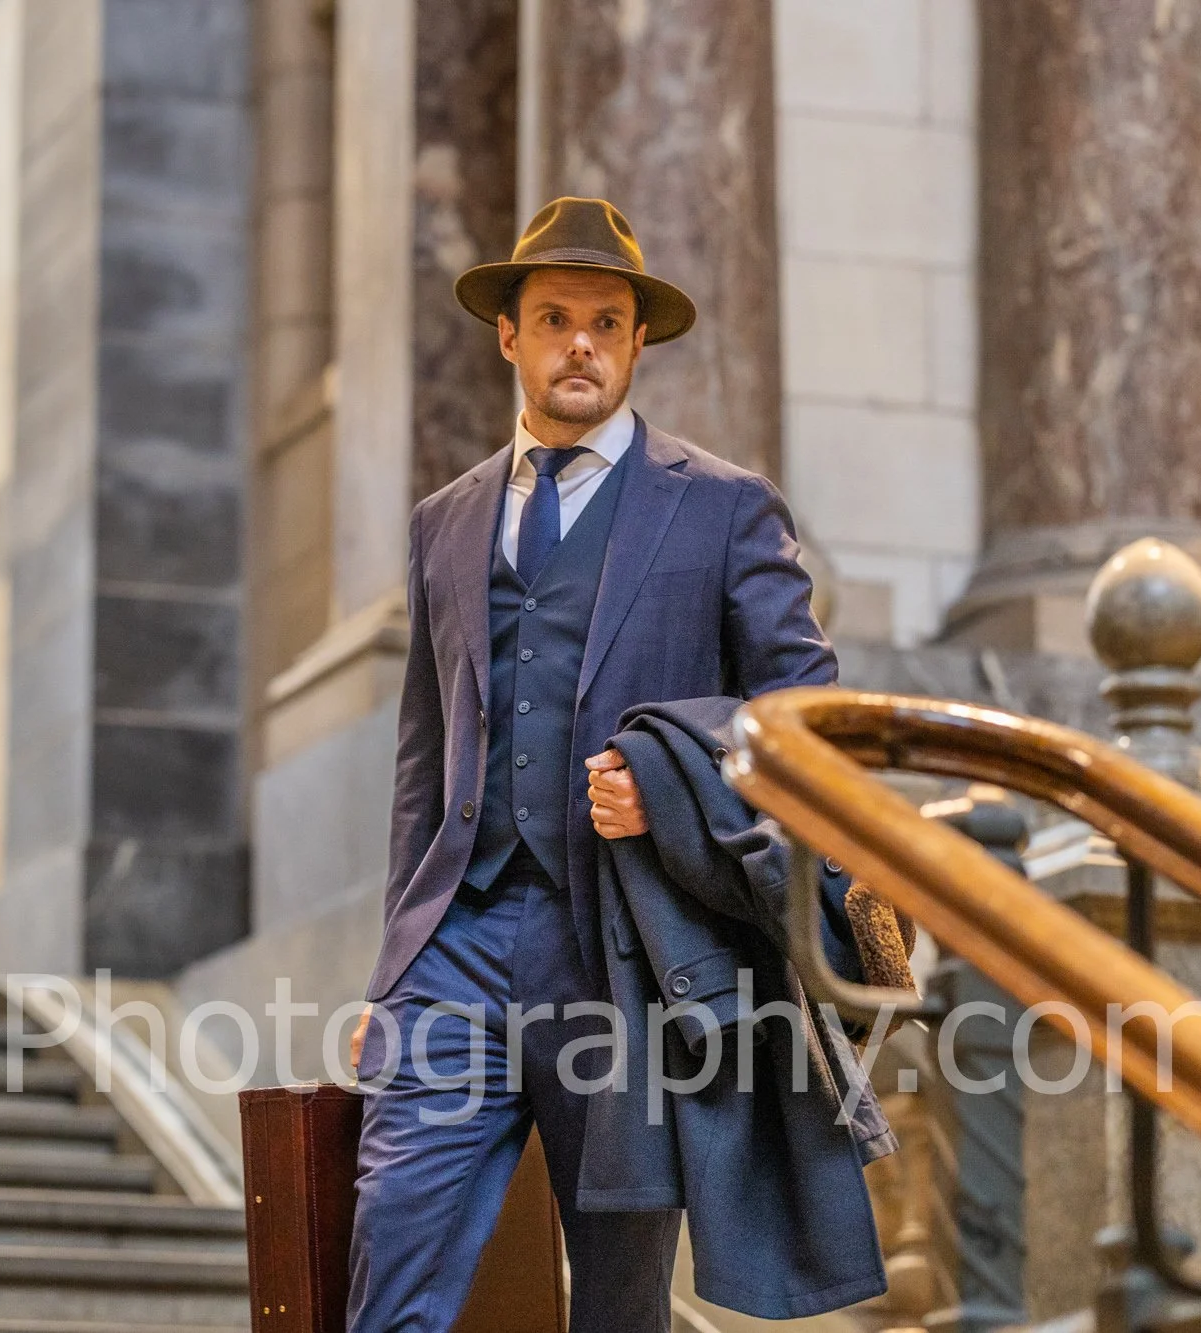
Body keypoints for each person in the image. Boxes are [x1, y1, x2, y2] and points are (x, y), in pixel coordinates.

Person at [345, 198, 852, 1331]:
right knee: (392, 1251)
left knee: (619, 1299)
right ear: (508, 337)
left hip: (625, 954)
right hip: (458, 952)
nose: (581, 343)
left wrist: (682, 780)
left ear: (633, 346)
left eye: (606, 323)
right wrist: (391, 972)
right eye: (556, 317)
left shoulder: (721, 507)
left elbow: (807, 721)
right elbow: (422, 766)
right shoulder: (444, 520)